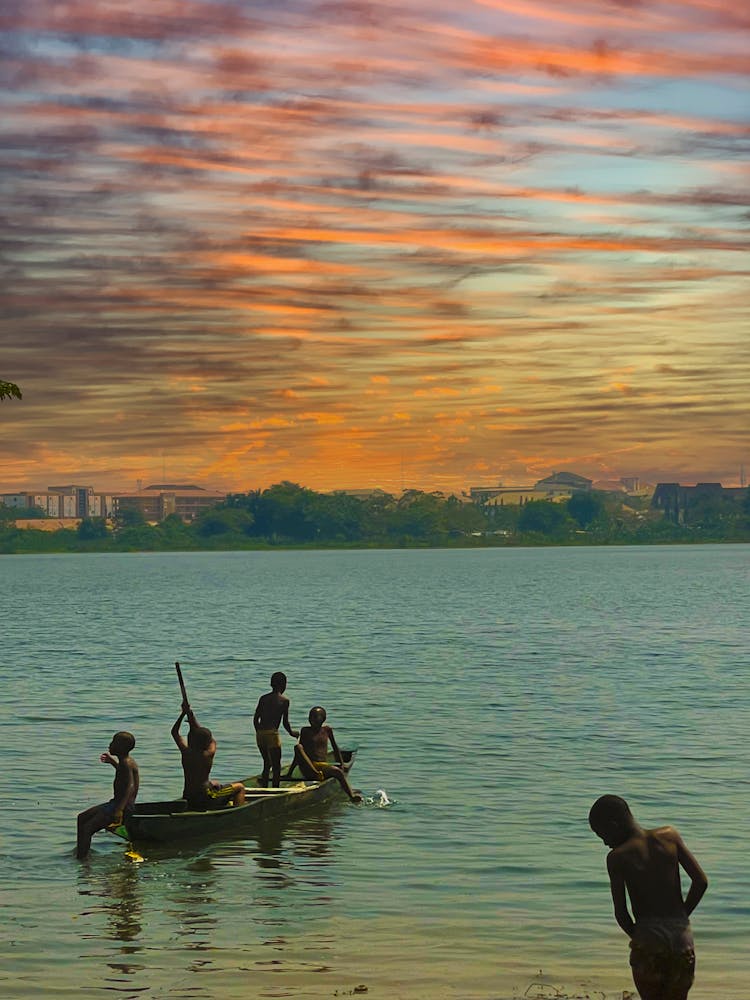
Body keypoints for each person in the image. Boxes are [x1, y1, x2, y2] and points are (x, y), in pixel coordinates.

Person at [588, 795, 708, 1000]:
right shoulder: (670, 836)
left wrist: (639, 936)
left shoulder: (617, 857)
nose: (605, 842)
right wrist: (681, 917)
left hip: (648, 942)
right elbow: (701, 882)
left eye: (603, 835)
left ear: (614, 825)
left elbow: (621, 913)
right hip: (681, 941)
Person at [171, 701, 246, 810]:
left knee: (214, 783)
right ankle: (238, 813)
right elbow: (211, 740)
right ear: (205, 743)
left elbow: (174, 733)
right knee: (240, 787)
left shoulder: (186, 753)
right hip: (206, 797)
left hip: (189, 796)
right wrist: (193, 719)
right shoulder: (208, 754)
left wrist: (183, 713)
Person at [76, 731, 139, 858]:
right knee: (82, 818)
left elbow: (130, 786)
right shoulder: (124, 762)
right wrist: (113, 763)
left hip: (122, 806)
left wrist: (119, 810)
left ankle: (83, 860)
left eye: (113, 742)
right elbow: (124, 776)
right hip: (116, 803)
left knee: (88, 828)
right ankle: (81, 850)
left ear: (121, 747)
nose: (110, 745)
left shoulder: (126, 763)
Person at [294, 706, 361, 803]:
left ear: (323, 719)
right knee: (298, 747)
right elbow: (300, 754)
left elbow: (335, 748)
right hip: (310, 767)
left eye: (315, 717)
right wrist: (290, 772)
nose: (312, 720)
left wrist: (342, 764)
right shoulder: (305, 731)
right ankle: (351, 796)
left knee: (338, 771)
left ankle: (350, 794)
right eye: (310, 717)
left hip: (322, 766)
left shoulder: (327, 730)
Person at [253, 671, 298, 787]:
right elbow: (285, 722)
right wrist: (292, 733)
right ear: (284, 685)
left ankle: (264, 787)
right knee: (276, 766)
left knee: (267, 763)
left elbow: (256, 719)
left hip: (260, 734)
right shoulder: (284, 701)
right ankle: (275, 790)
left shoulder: (263, 698)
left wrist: (259, 731)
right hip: (272, 734)